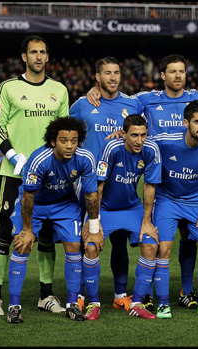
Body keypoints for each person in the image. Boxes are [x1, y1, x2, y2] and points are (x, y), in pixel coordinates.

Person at [88, 54, 198, 310]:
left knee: (193, 241)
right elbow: (120, 103)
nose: (178, 76)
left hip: (192, 189)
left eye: (182, 71)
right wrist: (97, 90)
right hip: (161, 187)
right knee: (160, 245)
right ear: (162, 75)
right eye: (173, 71)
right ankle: (152, 296)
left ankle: (188, 292)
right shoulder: (146, 100)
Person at [0, 35, 69, 317]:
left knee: (46, 234)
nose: (38, 57)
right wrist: (14, 156)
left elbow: (65, 132)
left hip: (49, 176)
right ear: (24, 56)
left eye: (42, 52)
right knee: (4, 233)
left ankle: (45, 294)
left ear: (47, 56)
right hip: (13, 175)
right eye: (33, 52)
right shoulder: (8, 88)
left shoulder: (59, 90)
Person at [7, 117, 102, 323]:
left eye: (74, 141)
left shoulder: (85, 158)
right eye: (64, 140)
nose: (69, 146)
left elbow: (91, 195)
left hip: (64, 204)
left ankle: (72, 304)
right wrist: (27, 230)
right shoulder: (39, 159)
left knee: (74, 245)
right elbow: (28, 196)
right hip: (35, 204)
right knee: (22, 245)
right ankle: (14, 306)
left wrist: (94, 227)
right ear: (53, 141)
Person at [69, 56, 144, 311]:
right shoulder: (81, 105)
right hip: (89, 184)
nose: (113, 77)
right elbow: (67, 134)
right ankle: (80, 293)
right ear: (97, 78)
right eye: (107, 73)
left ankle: (120, 293)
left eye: (116, 72)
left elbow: (143, 131)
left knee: (120, 240)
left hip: (121, 183)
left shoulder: (133, 103)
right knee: (85, 239)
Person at [150, 100, 198, 319]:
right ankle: (163, 304)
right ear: (186, 123)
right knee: (163, 249)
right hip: (167, 200)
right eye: (197, 122)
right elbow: (141, 143)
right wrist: (121, 134)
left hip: (195, 201)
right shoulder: (165, 141)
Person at [85, 114, 161, 320]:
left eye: (143, 135)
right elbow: (98, 186)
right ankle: (92, 303)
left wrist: (146, 222)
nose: (139, 140)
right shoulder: (112, 148)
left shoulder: (151, 149)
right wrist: (95, 221)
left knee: (151, 245)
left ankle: (136, 303)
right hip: (106, 208)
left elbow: (149, 185)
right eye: (134, 135)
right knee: (91, 247)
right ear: (124, 134)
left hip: (131, 207)